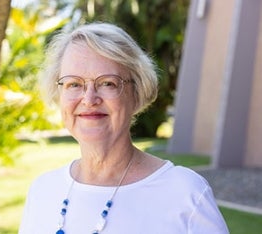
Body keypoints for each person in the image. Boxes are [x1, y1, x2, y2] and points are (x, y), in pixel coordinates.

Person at [19, 22, 229, 234]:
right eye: (74, 84)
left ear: (136, 93)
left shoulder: (185, 194)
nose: (89, 99)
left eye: (107, 83)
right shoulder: (42, 191)